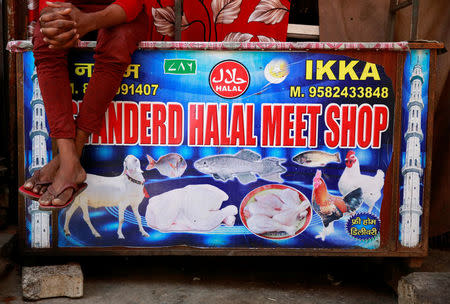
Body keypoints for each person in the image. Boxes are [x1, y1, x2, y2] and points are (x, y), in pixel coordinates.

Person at [20, 0, 149, 209]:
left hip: (120, 13)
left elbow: (132, 3)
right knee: (46, 40)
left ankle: (70, 159)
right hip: (70, 11)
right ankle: (69, 159)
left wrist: (89, 21)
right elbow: (49, 4)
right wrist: (60, 18)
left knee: (118, 41)